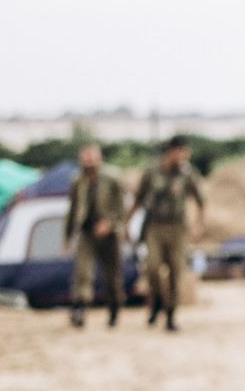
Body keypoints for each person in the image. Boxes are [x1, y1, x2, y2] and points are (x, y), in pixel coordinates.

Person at [133, 134, 205, 332]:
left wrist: (198, 225)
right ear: (171, 152)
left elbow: (200, 200)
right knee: (153, 268)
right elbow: (138, 198)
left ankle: (171, 314)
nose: (184, 158)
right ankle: (157, 300)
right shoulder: (152, 171)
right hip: (155, 226)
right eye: (182, 153)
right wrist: (127, 222)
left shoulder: (187, 173)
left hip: (178, 228)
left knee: (176, 271)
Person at [66, 143, 128, 327]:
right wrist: (67, 237)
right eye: (85, 158)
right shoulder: (77, 181)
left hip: (110, 234)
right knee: (82, 272)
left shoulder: (113, 178)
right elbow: (72, 210)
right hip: (86, 232)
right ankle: (80, 309)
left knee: (112, 276)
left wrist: (110, 224)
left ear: (99, 158)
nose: (88, 162)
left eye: (91, 157)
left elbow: (122, 207)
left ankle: (114, 308)